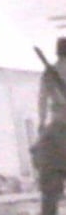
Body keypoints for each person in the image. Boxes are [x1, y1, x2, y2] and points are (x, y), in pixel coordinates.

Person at [32, 37, 66, 197]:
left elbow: (42, 101)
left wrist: (41, 123)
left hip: (57, 121)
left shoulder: (49, 72)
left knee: (39, 150)